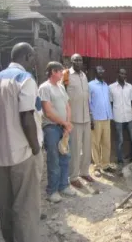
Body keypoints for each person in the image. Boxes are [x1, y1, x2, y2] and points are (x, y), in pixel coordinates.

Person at [0, 42, 43, 242]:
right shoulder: (25, 79)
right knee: (26, 206)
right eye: (34, 56)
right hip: (22, 152)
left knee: (6, 205)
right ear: (27, 56)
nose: (35, 60)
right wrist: (36, 149)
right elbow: (27, 117)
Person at [39, 62, 76, 203]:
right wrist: (64, 123)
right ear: (53, 72)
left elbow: (67, 107)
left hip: (63, 127)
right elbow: (48, 112)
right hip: (51, 128)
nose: (62, 74)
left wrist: (67, 125)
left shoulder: (60, 87)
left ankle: (64, 186)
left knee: (65, 156)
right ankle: (52, 191)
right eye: (60, 71)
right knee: (54, 159)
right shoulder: (44, 88)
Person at [64, 54, 94, 189]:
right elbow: (62, 95)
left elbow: (86, 97)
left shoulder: (84, 75)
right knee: (75, 148)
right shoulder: (66, 75)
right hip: (74, 118)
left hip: (86, 117)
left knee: (87, 147)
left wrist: (91, 115)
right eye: (75, 59)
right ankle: (73, 176)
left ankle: (84, 172)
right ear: (71, 61)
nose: (78, 61)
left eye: (80, 59)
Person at [89, 66, 115, 177]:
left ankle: (105, 165)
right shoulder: (90, 85)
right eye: (99, 70)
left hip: (107, 117)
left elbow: (109, 101)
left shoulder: (106, 86)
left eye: (102, 70)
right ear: (95, 72)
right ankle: (97, 167)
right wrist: (90, 118)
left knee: (106, 143)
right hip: (96, 118)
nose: (101, 72)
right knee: (95, 143)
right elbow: (88, 102)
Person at [109, 68, 132, 165]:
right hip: (118, 117)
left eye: (125, 74)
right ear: (118, 74)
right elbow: (110, 102)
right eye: (121, 73)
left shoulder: (130, 87)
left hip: (129, 117)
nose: (123, 75)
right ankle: (120, 160)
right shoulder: (111, 87)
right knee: (120, 140)